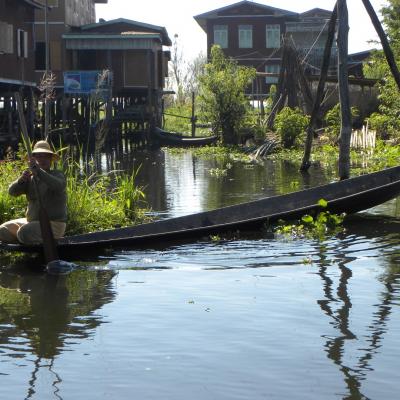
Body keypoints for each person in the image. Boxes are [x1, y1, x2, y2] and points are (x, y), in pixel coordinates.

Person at [0, 140, 67, 245]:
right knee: (2, 230)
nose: (42, 159)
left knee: (24, 232)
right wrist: (21, 180)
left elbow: (58, 186)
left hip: (54, 225)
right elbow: (12, 192)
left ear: (51, 159)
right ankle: (27, 240)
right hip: (31, 223)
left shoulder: (57, 175)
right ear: (33, 159)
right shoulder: (30, 178)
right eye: (39, 156)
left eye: (46, 156)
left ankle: (26, 238)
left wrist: (39, 172)